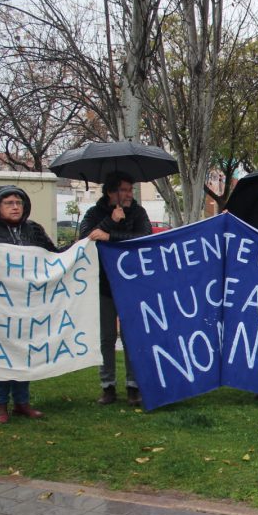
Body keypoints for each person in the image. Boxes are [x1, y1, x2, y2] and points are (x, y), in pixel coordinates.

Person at [0, 185, 58, 423]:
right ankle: (0, 404)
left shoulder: (34, 230)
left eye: (19, 202)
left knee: (23, 351)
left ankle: (22, 402)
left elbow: (53, 257)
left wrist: (82, 244)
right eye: (9, 203)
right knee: (1, 352)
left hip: (27, 302)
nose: (15, 207)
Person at [79, 171, 152, 406]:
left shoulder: (139, 213)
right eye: (124, 190)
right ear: (111, 192)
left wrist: (111, 235)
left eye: (130, 190)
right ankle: (107, 386)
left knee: (132, 336)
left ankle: (134, 386)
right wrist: (111, 220)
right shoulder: (94, 213)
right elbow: (85, 237)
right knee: (106, 338)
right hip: (103, 284)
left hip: (132, 285)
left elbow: (143, 238)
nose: (129, 194)